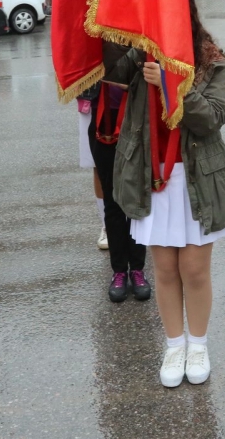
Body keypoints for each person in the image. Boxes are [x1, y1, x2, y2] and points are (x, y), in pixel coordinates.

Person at [106, 0, 225, 388]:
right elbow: (108, 69)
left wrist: (173, 84)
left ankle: (197, 344)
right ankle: (173, 344)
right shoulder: (138, 54)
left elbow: (212, 120)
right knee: (164, 270)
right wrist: (135, 37)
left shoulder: (211, 60)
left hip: (198, 178)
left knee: (194, 270)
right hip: (152, 179)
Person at [87, 73, 151, 303]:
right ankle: (119, 272)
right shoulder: (95, 41)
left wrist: (131, 82)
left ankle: (137, 269)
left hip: (136, 119)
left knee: (136, 198)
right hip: (103, 123)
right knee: (112, 201)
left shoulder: (138, 39)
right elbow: (78, 84)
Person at [77, 86, 109, 250]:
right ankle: (107, 226)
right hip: (94, 91)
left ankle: (139, 223)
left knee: (137, 159)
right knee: (99, 164)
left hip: (128, 87)